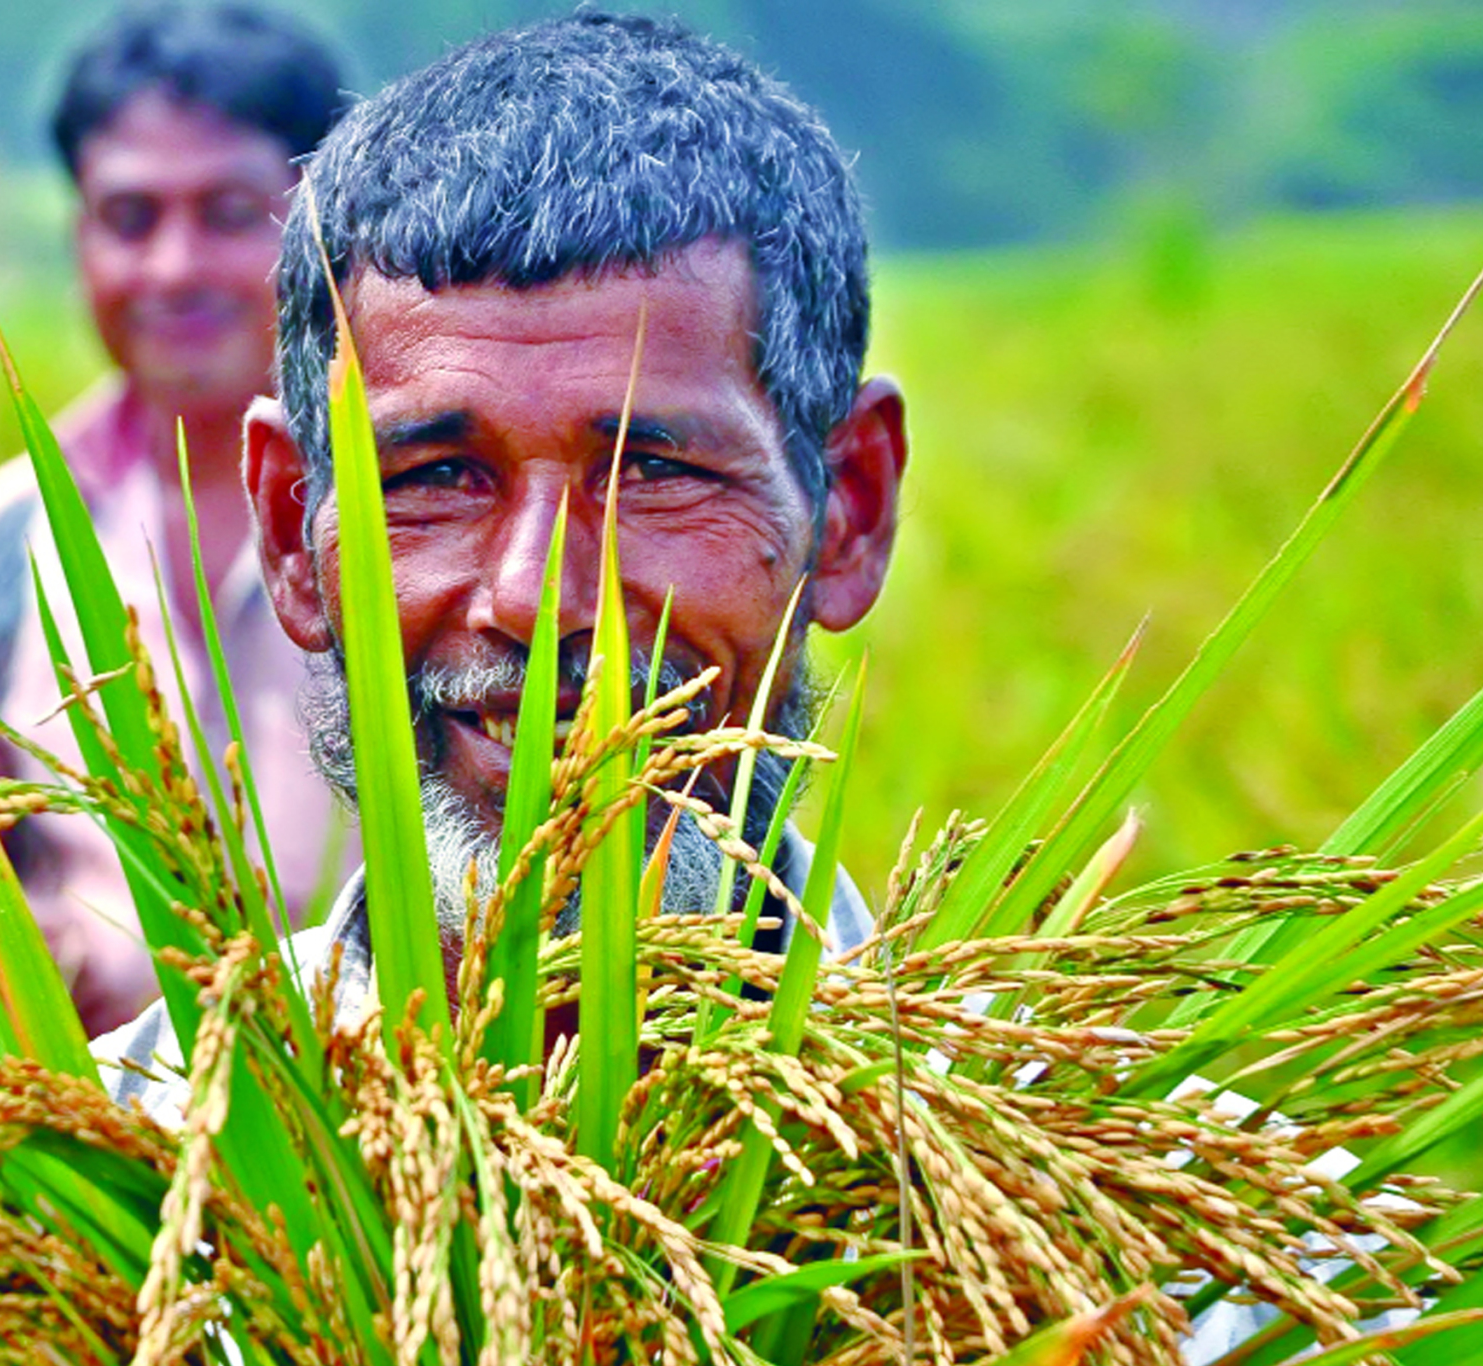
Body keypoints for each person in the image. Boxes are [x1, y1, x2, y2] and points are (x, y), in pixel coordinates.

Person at [98, 6, 902, 1114]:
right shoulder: (126, 1170)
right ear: (292, 533)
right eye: (434, 478)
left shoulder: (1142, 1231)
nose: (531, 596)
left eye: (651, 470)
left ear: (848, 512)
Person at [0, 4, 356, 1037]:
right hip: (95, 1150)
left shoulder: (420, 508)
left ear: (316, 224)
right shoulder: (2, 538)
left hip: (396, 1133)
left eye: (228, 211)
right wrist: (13, 968)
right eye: (129, 219)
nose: (173, 269)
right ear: (79, 234)